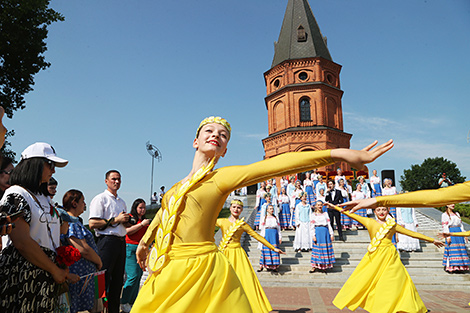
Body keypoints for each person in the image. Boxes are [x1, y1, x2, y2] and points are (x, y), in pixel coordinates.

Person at [132, 116, 393, 313]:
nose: (216, 135)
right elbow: (164, 213)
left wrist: (336, 153)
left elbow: (274, 165)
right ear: (195, 141)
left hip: (199, 267)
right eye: (209, 131)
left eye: (223, 135)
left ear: (225, 150)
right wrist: (145, 242)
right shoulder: (176, 187)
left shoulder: (221, 178)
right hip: (165, 268)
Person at [0, 142, 76, 312]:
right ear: (34, 165)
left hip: (44, 274)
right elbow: (22, 242)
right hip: (23, 276)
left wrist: (61, 267)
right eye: (50, 164)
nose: (53, 170)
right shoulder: (16, 193)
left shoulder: (43, 197)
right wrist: (54, 270)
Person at [328, 203, 444, 313]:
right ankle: (381, 306)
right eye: (378, 210)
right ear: (374, 211)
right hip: (375, 256)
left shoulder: (392, 225)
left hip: (390, 256)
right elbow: (350, 214)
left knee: (400, 280)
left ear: (388, 210)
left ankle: (404, 306)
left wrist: (432, 240)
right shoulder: (369, 222)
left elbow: (410, 233)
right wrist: (333, 206)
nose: (381, 212)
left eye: (384, 209)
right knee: (369, 281)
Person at [217, 199, 284, 313]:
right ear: (230, 208)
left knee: (244, 280)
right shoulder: (221, 221)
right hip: (224, 254)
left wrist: (273, 247)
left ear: (242, 210)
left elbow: (257, 236)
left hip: (238, 255)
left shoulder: (243, 224)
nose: (236, 209)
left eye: (238, 208)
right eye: (234, 207)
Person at [88, 170, 129, 313]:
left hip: (120, 241)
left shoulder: (122, 202)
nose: (116, 182)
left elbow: (122, 224)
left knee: (118, 281)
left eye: (119, 179)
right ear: (106, 181)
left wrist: (127, 221)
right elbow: (93, 223)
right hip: (106, 241)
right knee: (102, 280)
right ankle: (98, 309)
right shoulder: (101, 199)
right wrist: (116, 220)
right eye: (113, 179)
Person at [62, 189, 102, 313]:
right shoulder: (71, 223)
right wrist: (98, 261)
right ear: (74, 203)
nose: (84, 204)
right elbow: (83, 249)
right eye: (82, 201)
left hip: (83, 274)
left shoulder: (74, 222)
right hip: (79, 275)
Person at [121, 199, 151, 312]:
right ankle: (124, 302)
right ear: (135, 208)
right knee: (132, 276)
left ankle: (132, 302)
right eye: (140, 208)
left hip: (142, 249)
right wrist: (141, 225)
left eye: (144, 208)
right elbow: (127, 231)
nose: (142, 210)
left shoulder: (145, 220)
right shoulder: (130, 217)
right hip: (130, 248)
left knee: (138, 276)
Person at [441, 204, 469, 272]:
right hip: (451, 232)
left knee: (460, 249)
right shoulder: (444, 215)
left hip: (459, 233)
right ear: (447, 205)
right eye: (451, 203)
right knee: (452, 249)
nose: (453, 205)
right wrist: (448, 236)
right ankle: (452, 266)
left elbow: (461, 225)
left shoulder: (457, 214)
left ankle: (460, 266)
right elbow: (445, 226)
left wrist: (464, 234)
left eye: (454, 203)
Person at [310, 200, 335, 272]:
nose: (320, 206)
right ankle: (315, 266)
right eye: (318, 205)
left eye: (321, 205)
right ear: (315, 206)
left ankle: (325, 266)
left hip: (325, 233)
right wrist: (313, 235)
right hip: (318, 232)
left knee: (325, 249)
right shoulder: (313, 215)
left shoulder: (325, 214)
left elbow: (329, 224)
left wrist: (331, 234)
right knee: (317, 249)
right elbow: (311, 226)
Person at [258, 204, 282, 272]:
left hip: (274, 234)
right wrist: (262, 238)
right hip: (267, 234)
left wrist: (280, 237)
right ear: (267, 210)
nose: (272, 210)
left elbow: (278, 228)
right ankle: (263, 265)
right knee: (266, 248)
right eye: (270, 209)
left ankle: (274, 266)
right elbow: (262, 228)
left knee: (274, 248)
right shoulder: (264, 218)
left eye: (272, 209)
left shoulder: (275, 218)